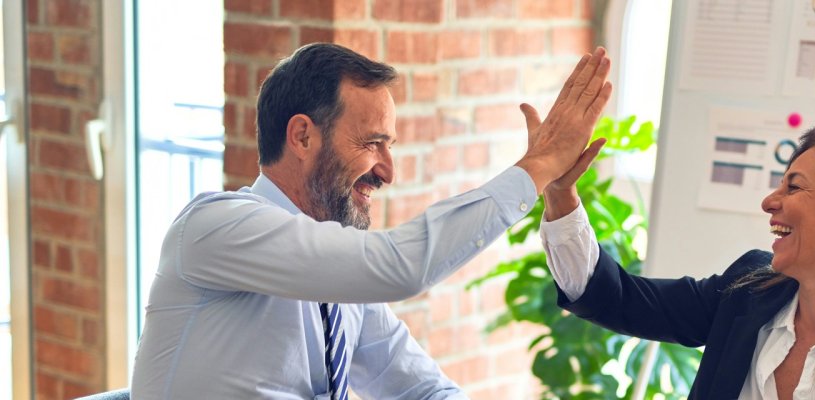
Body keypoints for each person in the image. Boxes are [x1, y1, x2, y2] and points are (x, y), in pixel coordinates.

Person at [131, 43, 612, 399]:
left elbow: (420, 391)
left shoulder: (338, 287)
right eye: (371, 143)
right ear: (302, 137)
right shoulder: (215, 227)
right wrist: (538, 167)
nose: (388, 171)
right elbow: (398, 266)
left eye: (390, 146)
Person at [539, 124, 815, 399]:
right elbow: (619, 298)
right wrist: (560, 193)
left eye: (794, 188)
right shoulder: (748, 290)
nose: (770, 202)